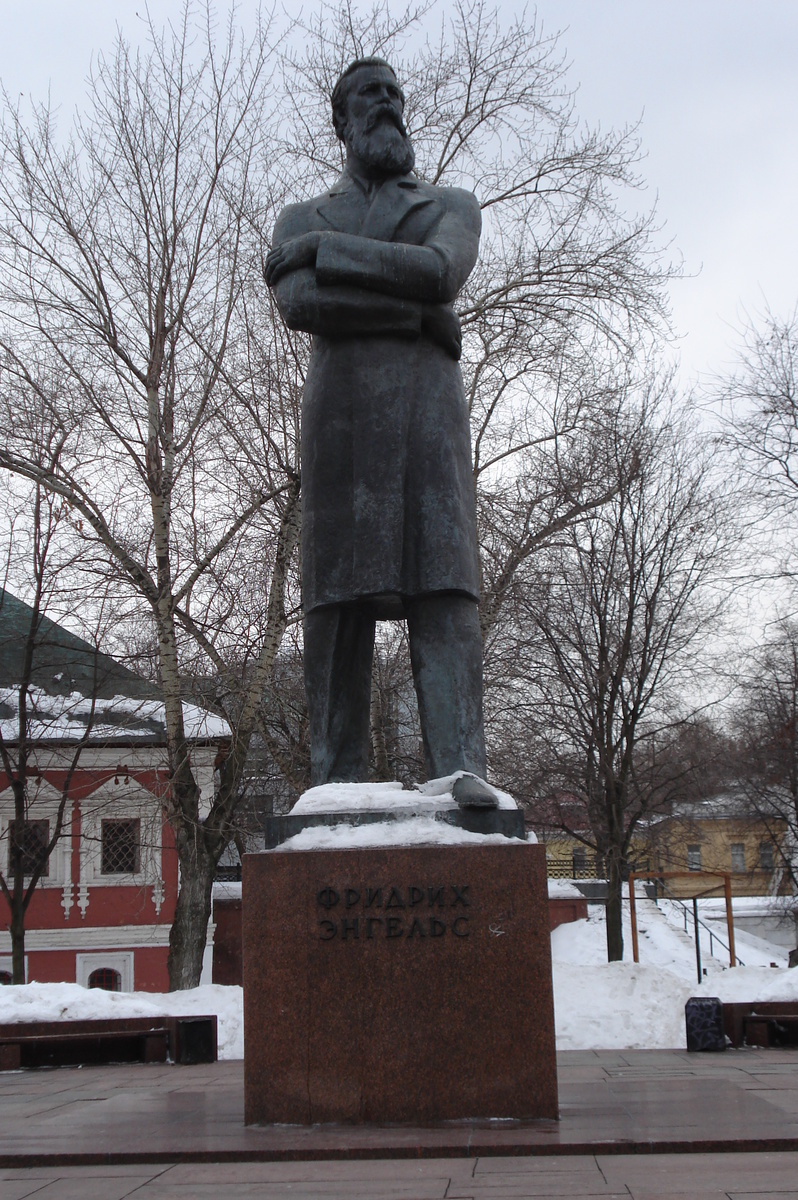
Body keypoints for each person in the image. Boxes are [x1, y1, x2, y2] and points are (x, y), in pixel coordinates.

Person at [266, 57, 495, 808]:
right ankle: (334, 780)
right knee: (335, 599)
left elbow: (439, 273)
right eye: (372, 95)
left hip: (429, 417)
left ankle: (462, 770)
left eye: (396, 95)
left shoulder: (449, 203)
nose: (390, 106)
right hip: (339, 421)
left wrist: (330, 259)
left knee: (445, 585)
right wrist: (415, 317)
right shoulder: (301, 216)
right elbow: (300, 305)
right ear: (342, 119)